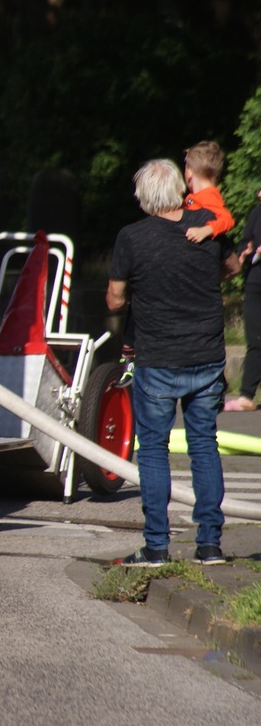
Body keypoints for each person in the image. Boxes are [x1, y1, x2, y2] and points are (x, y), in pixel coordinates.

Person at [106, 158, 228, 567]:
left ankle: (156, 547)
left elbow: (115, 298)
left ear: (143, 197)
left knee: (155, 451)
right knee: (204, 446)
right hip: (207, 355)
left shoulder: (132, 237)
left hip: (157, 359)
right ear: (181, 188)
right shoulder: (208, 223)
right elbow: (229, 267)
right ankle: (210, 545)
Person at [116, 141, 234, 388]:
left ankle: (129, 357)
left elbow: (225, 220)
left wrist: (206, 230)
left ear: (188, 173)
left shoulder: (209, 200)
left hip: (167, 351)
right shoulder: (194, 200)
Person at [224, 187, 261, 412]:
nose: (259, 194)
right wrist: (245, 250)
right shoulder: (257, 213)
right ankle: (247, 395)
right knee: (255, 338)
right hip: (255, 281)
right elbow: (245, 240)